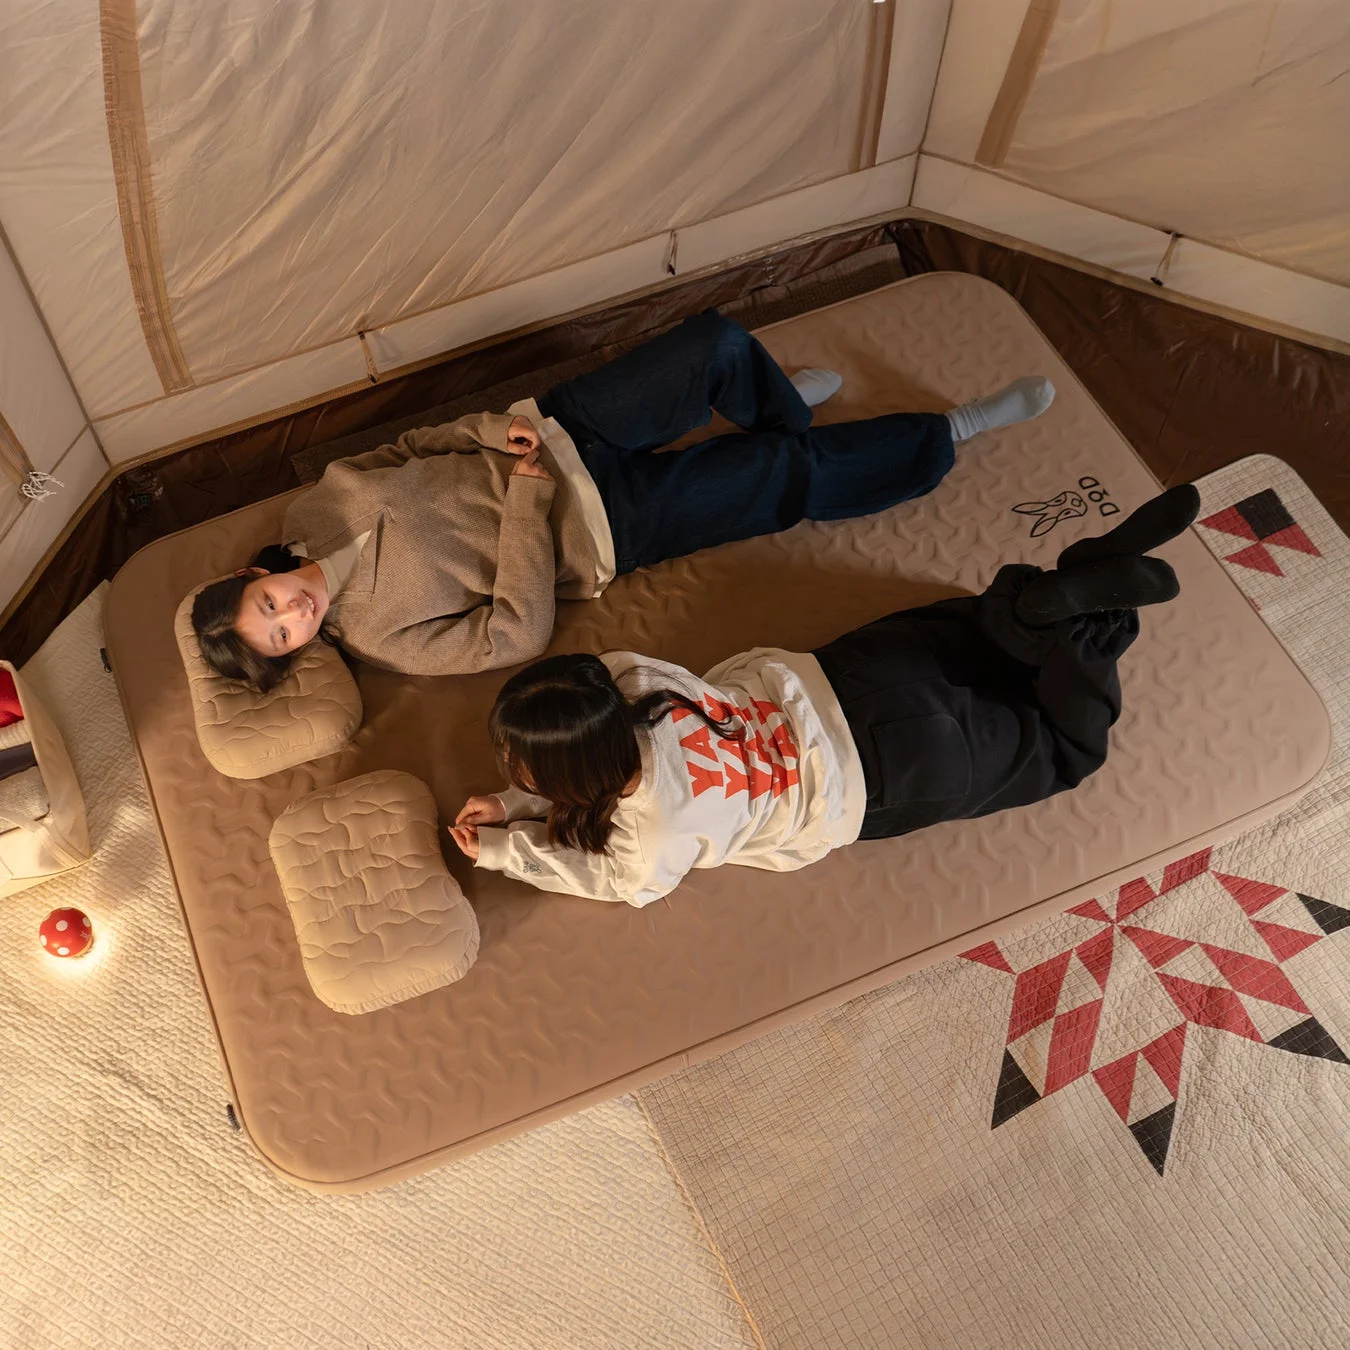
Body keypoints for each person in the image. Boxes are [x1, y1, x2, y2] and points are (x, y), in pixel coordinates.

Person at [190, 309, 1055, 689]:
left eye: (269, 603)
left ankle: (782, 405)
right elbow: (513, 634)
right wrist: (527, 508)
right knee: (782, 483)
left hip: (560, 432)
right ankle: (954, 430)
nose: (292, 611)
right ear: (297, 649)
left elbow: (411, 445)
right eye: (282, 635)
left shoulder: (310, 511)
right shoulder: (383, 639)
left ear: (253, 574)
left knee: (711, 346)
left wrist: (497, 435)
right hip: (606, 527)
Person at [448, 486, 1201, 907]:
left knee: (1062, 749)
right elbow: (592, 750)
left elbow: (601, 872)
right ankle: (1050, 604)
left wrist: (506, 842)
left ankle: (1092, 637)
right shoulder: (631, 676)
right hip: (851, 677)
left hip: (888, 773)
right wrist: (521, 797)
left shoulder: (656, 838)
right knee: (972, 627)